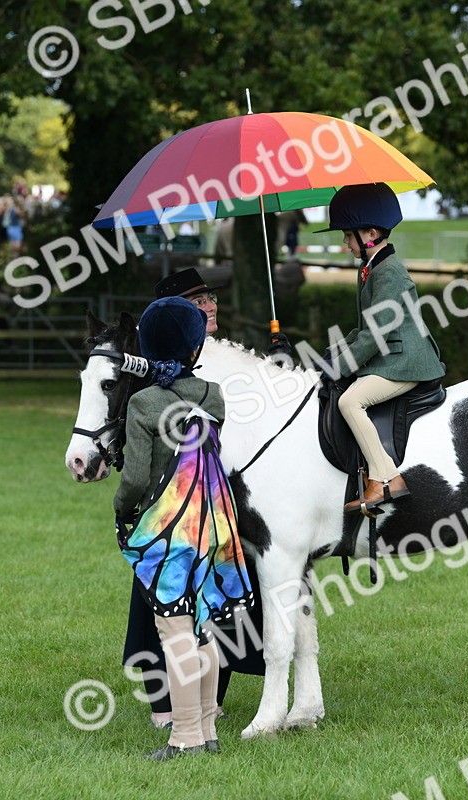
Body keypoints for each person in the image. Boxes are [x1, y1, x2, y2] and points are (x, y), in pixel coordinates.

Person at [113, 297, 252, 760]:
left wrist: (120, 510)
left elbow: (134, 478)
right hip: (215, 525)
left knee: (175, 633)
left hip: (168, 529)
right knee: (207, 626)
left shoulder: (142, 403)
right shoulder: (212, 394)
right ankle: (208, 728)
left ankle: (185, 736)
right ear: (195, 350)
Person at [315, 184, 446, 513]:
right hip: (393, 357)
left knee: (350, 401)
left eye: (347, 235)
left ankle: (386, 478)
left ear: (369, 233)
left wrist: (340, 366)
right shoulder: (374, 267)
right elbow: (363, 329)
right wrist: (333, 353)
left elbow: (375, 333)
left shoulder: (387, 272)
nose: (345, 243)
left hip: (405, 363)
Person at [154, 267, 294, 360]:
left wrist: (277, 367)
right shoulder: (163, 363)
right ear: (175, 313)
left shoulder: (223, 356)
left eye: (211, 298)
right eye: (198, 302)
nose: (211, 307)